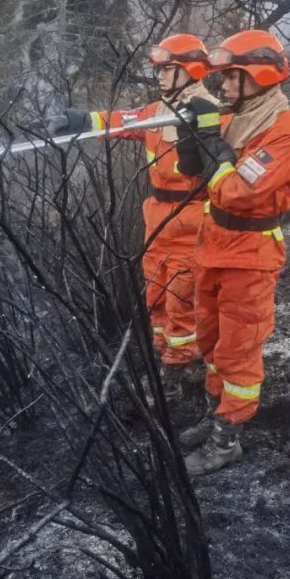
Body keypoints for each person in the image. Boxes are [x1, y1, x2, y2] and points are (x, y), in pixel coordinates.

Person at [41, 34, 220, 400]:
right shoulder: (156, 112)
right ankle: (165, 360)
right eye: (158, 70)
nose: (159, 76)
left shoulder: (211, 112)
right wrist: (83, 121)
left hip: (193, 219)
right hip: (156, 219)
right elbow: (123, 120)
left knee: (182, 302)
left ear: (189, 70)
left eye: (167, 70)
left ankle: (177, 373)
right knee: (155, 295)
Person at [174, 29, 290, 476]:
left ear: (258, 77)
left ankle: (227, 440)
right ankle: (215, 415)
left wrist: (213, 142)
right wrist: (191, 139)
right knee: (211, 341)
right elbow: (200, 175)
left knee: (238, 349)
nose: (225, 86)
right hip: (214, 244)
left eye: (232, 78)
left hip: (249, 254)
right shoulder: (242, 115)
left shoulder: (284, 132)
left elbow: (237, 191)